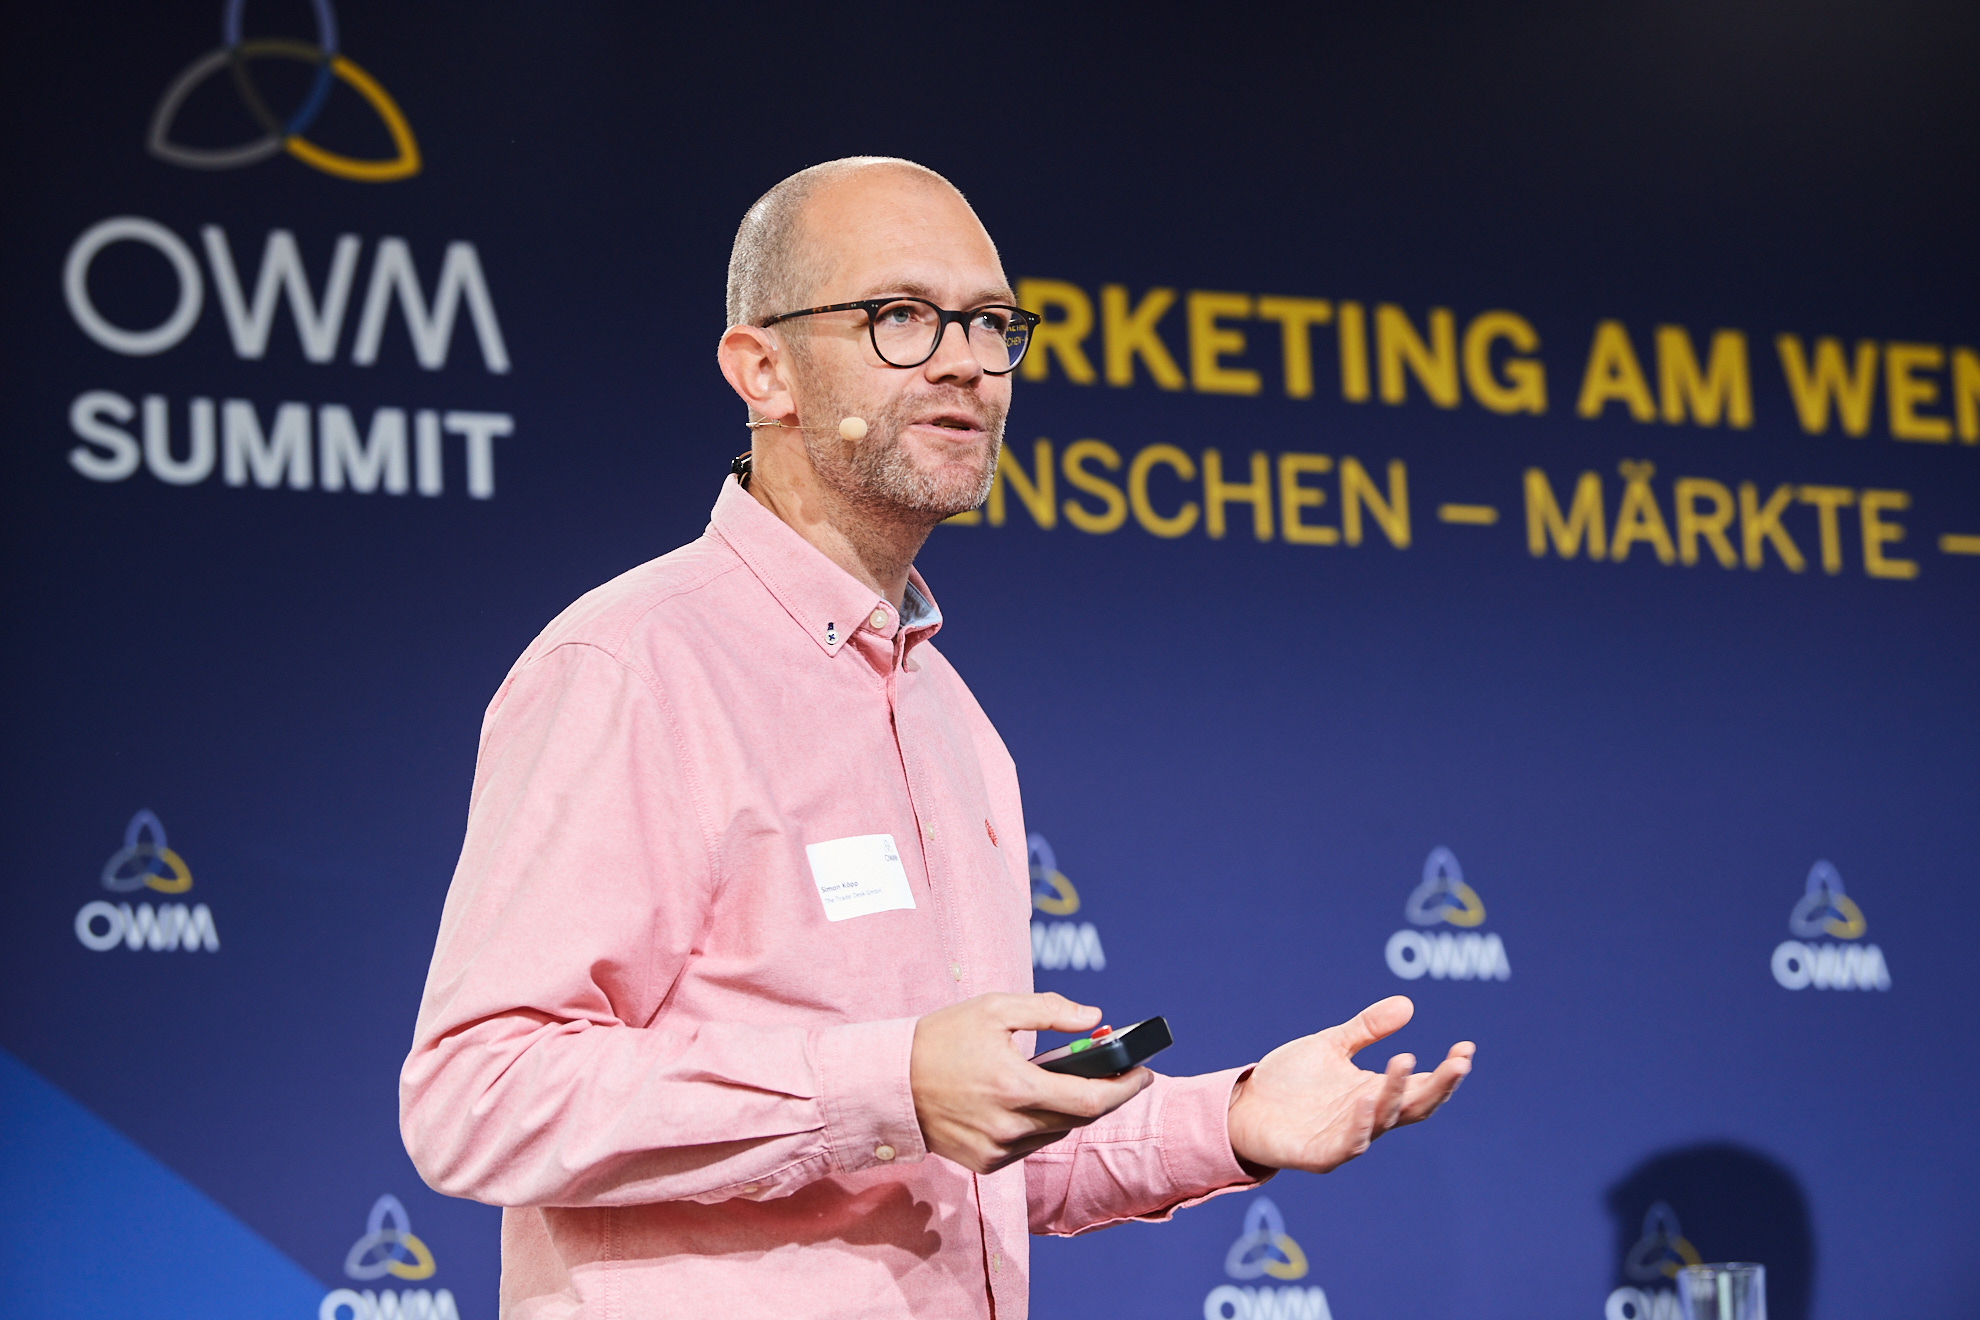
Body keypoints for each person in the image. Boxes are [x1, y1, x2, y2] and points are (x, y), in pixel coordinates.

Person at [400, 156, 1475, 1319]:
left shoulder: (950, 716)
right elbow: (479, 1097)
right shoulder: (633, 666)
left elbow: (963, 1156)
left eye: (991, 324)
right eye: (902, 316)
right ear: (764, 369)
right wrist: (890, 1084)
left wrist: (1234, 1119)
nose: (966, 360)